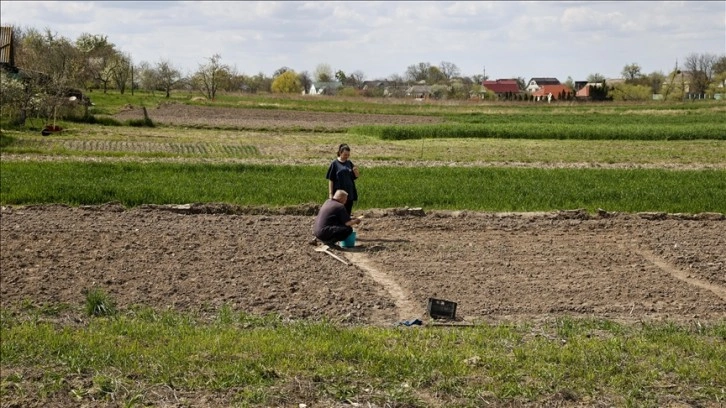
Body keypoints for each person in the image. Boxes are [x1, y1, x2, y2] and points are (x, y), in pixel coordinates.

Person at [326, 143, 359, 215]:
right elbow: (331, 179)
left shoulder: (349, 163)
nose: (347, 156)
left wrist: (356, 172)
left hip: (349, 193)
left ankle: (346, 225)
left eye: (348, 155)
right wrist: (330, 194)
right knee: (338, 213)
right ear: (340, 153)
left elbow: (355, 176)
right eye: (345, 155)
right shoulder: (334, 164)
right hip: (339, 195)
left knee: (347, 213)